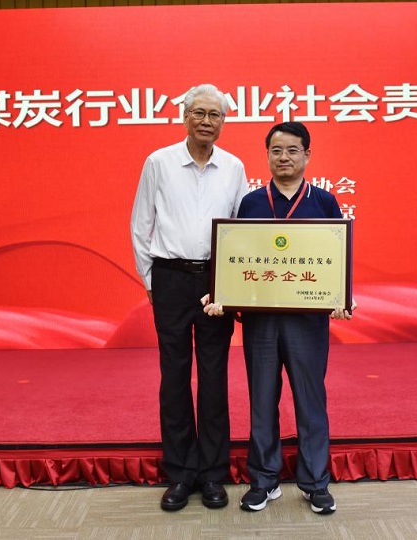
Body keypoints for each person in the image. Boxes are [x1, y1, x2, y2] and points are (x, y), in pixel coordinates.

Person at [204, 121, 354, 515]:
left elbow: (336, 259)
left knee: (310, 400)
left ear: (307, 154)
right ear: (267, 155)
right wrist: (223, 294)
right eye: (276, 150)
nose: (283, 157)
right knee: (262, 400)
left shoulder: (324, 202)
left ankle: (315, 483)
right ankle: (264, 480)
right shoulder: (252, 203)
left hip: (307, 321)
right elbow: (239, 260)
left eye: (292, 150)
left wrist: (341, 297)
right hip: (262, 321)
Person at [130, 83, 249, 512]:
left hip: (215, 282)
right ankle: (181, 472)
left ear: (224, 122)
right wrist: (151, 279)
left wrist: (233, 285)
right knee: (174, 376)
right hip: (170, 278)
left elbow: (240, 230)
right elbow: (141, 222)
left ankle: (213, 473)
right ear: (184, 116)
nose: (206, 121)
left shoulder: (233, 167)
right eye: (198, 113)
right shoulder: (159, 162)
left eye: (214, 115)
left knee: (214, 378)